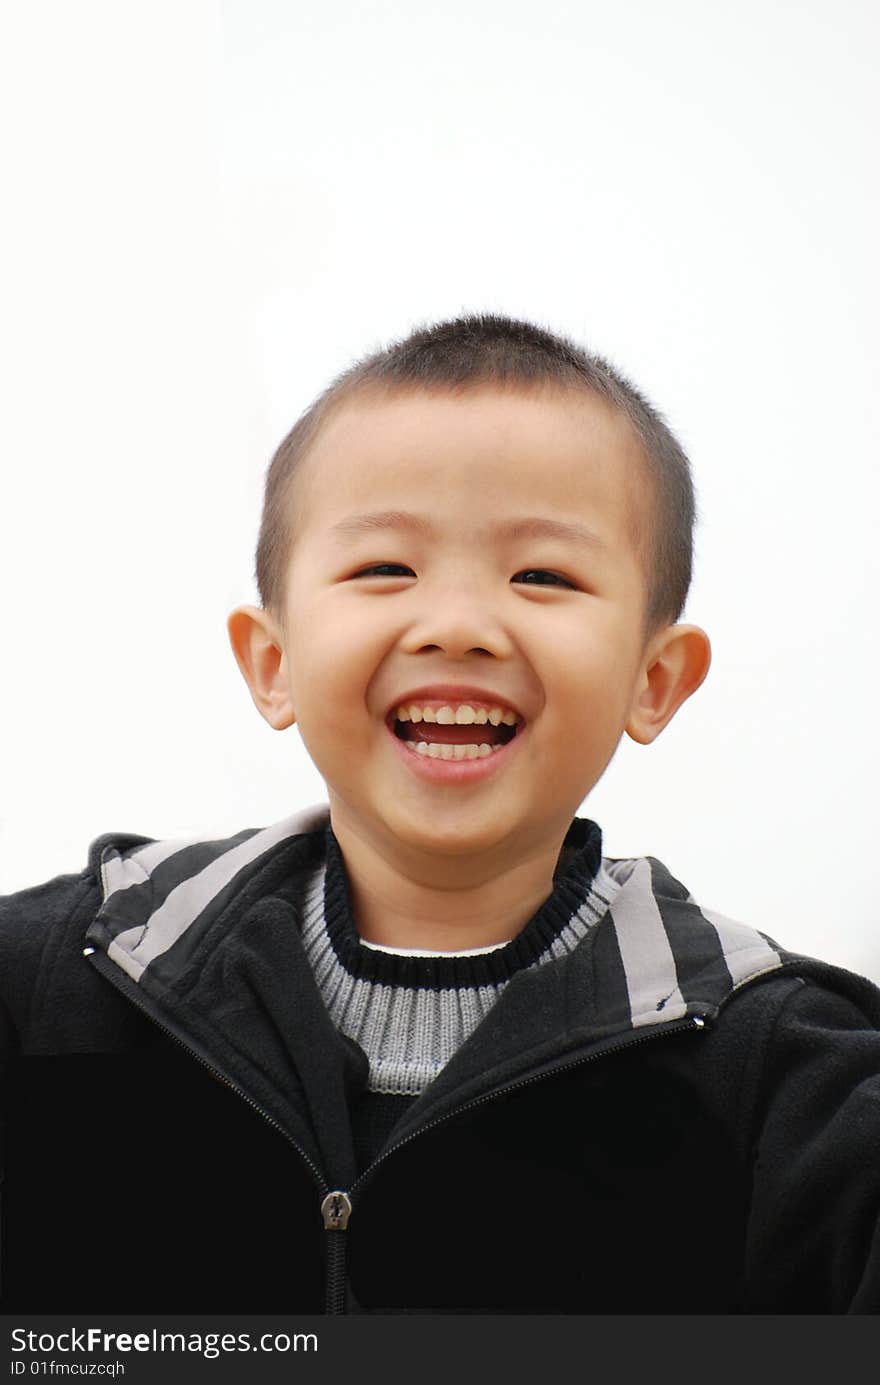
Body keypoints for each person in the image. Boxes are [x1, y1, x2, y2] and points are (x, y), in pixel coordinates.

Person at [2, 314, 879, 1315]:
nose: (457, 625)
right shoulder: (64, 987)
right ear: (272, 661)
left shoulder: (782, 1079)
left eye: (542, 575)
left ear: (655, 678)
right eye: (385, 568)